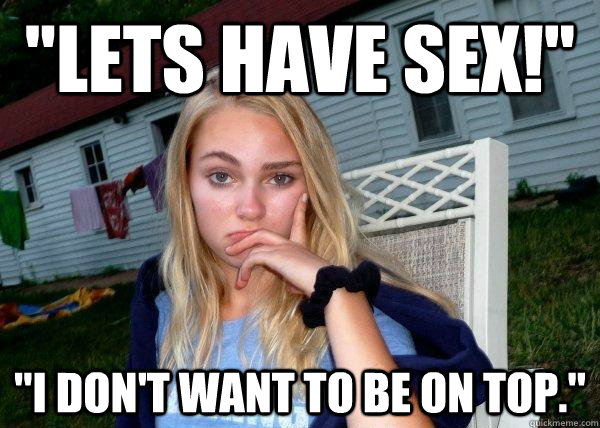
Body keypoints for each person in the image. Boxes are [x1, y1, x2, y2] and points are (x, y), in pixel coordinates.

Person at [116, 66, 492, 428]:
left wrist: (334, 293)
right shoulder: (165, 306)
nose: (250, 209)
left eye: (279, 178)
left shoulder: (359, 317)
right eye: (221, 176)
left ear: (312, 189)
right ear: (185, 184)